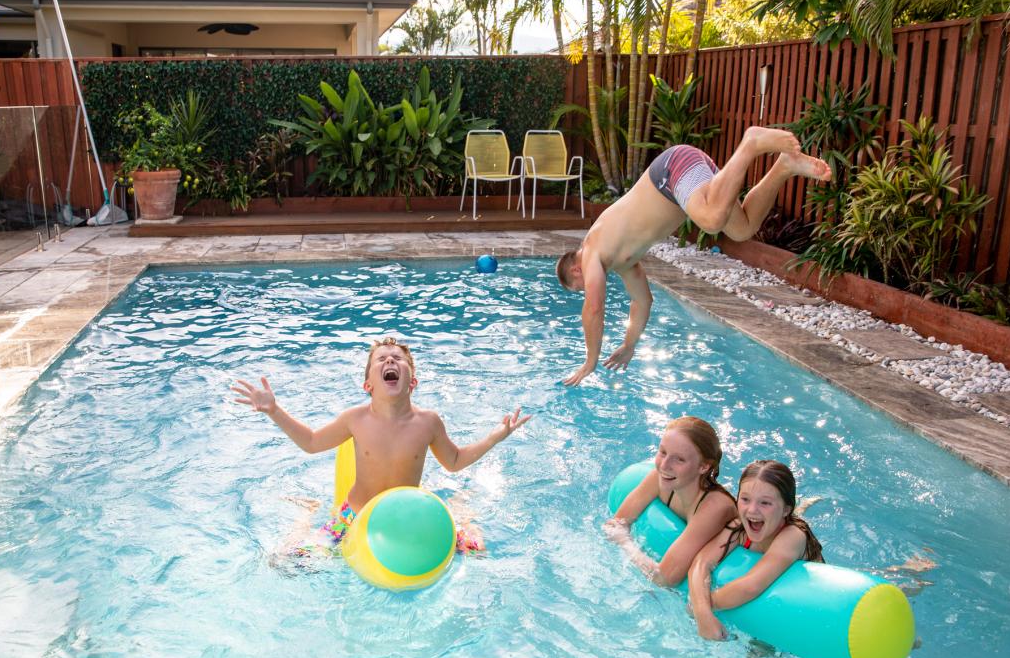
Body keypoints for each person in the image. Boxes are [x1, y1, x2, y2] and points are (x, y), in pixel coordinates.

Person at [555, 128, 832, 386]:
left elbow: (593, 308)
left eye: (580, 288)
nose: (588, 289)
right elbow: (641, 301)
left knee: (711, 220)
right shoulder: (620, 260)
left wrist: (590, 361)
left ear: (576, 271)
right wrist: (629, 346)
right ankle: (784, 167)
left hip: (671, 172)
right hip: (685, 182)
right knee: (742, 228)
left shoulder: (591, 249)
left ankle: (751, 142)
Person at [231, 337, 531, 554]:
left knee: (477, 552)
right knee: (288, 562)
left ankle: (460, 511)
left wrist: (495, 437)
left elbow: (453, 461)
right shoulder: (355, 419)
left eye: (399, 359)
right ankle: (307, 513)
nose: (390, 360)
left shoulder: (428, 422)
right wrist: (274, 410)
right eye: (382, 359)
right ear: (368, 385)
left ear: (412, 382)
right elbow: (310, 442)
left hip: (409, 514)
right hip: (355, 516)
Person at [687, 460, 824, 641]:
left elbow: (751, 586)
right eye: (745, 499)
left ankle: (800, 508)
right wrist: (702, 611)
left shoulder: (793, 536)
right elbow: (701, 562)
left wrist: (701, 609)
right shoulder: (740, 527)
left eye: (765, 503)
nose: (752, 510)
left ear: (785, 509)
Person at [604, 416, 737, 586]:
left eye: (679, 459)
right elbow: (615, 524)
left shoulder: (714, 508)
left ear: (704, 466)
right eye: (663, 452)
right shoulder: (660, 477)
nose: (664, 465)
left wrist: (624, 542)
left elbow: (665, 579)